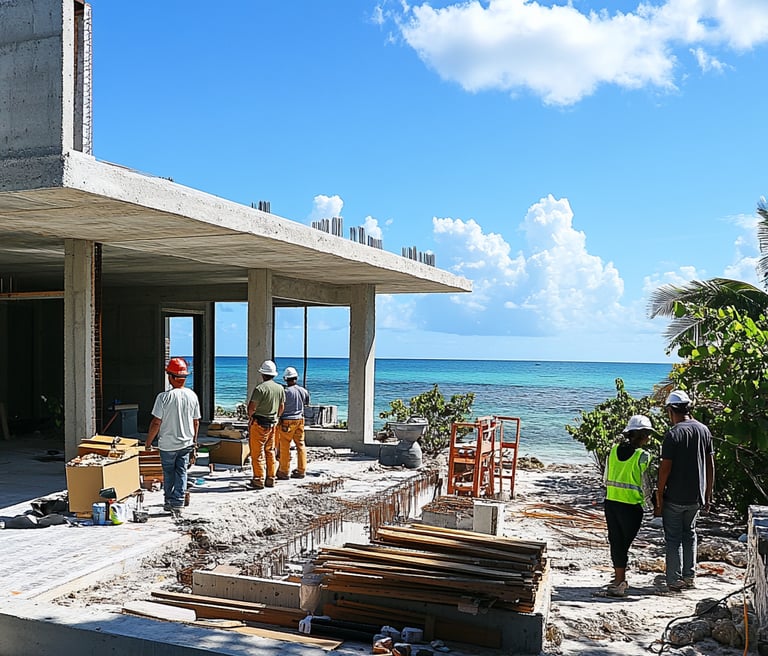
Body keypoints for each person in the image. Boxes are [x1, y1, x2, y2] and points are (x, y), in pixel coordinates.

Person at [656, 390, 715, 592]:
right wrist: (707, 494)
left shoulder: (673, 434)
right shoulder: (704, 430)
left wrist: (659, 493)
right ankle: (689, 577)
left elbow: (665, 468)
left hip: (675, 496)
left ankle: (674, 579)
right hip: (695, 496)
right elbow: (710, 465)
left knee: (673, 538)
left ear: (671, 410)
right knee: (689, 534)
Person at [603, 414, 654, 597]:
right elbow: (646, 483)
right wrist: (653, 505)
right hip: (631, 506)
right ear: (641, 435)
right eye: (648, 434)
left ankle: (619, 578)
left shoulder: (613, 449)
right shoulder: (643, 456)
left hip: (611, 502)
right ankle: (619, 580)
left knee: (616, 541)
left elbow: (605, 477)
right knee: (623, 543)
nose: (649, 438)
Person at [145, 357, 201, 515]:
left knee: (168, 472)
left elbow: (156, 422)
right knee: (181, 472)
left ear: (170, 377)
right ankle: (178, 502)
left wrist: (148, 443)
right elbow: (196, 422)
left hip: (167, 445)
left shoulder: (163, 397)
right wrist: (194, 442)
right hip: (186, 443)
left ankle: (169, 501)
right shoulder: (192, 396)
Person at [246, 360, 285, 490]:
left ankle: (258, 479)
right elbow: (281, 407)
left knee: (257, 453)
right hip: (272, 423)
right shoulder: (280, 388)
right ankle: (271, 478)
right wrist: (276, 417)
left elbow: (252, 407)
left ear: (262, 374)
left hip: (259, 423)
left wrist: (250, 416)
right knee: (270, 451)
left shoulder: (260, 388)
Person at [277, 366, 311, 480]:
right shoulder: (303, 390)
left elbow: (280, 406)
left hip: (287, 421)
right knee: (300, 445)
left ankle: (284, 471)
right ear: (296, 377)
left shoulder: (285, 392)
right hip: (300, 420)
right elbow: (306, 403)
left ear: (286, 379)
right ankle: (301, 470)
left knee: (285, 446)